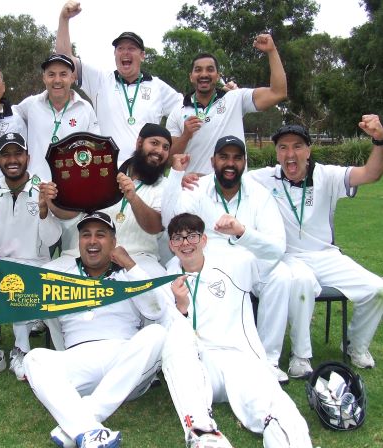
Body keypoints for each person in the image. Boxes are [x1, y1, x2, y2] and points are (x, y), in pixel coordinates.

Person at [162, 212, 360, 448]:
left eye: (192, 236)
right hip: (201, 369)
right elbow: (175, 329)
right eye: (178, 238)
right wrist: (182, 308)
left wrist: (243, 231)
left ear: (204, 239)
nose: (186, 242)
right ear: (171, 245)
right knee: (173, 338)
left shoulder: (235, 263)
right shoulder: (167, 275)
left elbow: (274, 254)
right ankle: (205, 437)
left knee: (270, 403)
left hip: (237, 357)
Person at [0, 211, 167, 448]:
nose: (92, 241)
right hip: (79, 362)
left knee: (155, 334)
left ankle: (76, 421)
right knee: (34, 359)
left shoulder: (129, 273)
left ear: (114, 242)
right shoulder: (59, 274)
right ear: (78, 242)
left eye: (101, 235)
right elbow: (23, 307)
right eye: (86, 235)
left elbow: (156, 310)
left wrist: (131, 266)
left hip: (125, 362)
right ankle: (90, 432)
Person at [249, 115, 383, 369]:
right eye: (283, 147)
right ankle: (301, 356)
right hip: (287, 256)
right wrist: (184, 176)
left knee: (376, 288)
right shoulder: (264, 178)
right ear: (276, 153)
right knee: (301, 281)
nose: (291, 154)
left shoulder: (328, 175)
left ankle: (356, 344)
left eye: (297, 146)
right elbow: (225, 176)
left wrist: (379, 140)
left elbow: (371, 174)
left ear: (308, 150)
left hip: (326, 255)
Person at [161, 136, 294, 382]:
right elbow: (169, 220)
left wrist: (242, 231)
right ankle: (195, 350)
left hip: (249, 261)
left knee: (282, 276)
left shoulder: (259, 194)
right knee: (175, 270)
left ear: (245, 162)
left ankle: (269, 360)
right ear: (213, 161)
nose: (230, 163)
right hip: (209, 260)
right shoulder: (198, 187)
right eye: (224, 157)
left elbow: (277, 247)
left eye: (236, 158)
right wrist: (177, 176)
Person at [0, 132, 62, 383]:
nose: (12, 159)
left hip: (34, 262)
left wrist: (43, 209)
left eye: (18, 153)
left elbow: (51, 240)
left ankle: (21, 351)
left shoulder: (42, 187)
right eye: (6, 155)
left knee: (13, 283)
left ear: (27, 157)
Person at [56, 1, 182, 165]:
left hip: (146, 173)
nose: (125, 52)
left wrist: (222, 93)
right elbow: (64, 61)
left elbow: (186, 111)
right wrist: (64, 19)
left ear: (142, 55)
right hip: (107, 171)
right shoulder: (100, 80)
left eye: (131, 48)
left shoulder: (158, 86)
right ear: (115, 54)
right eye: (120, 48)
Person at [42, 123, 172, 277]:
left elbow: (156, 226)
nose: (159, 151)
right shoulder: (104, 169)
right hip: (82, 255)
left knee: (156, 284)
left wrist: (133, 198)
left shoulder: (166, 186)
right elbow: (72, 213)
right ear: (139, 143)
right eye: (154, 143)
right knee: (43, 277)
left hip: (138, 257)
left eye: (166, 147)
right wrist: (52, 202)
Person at [166, 37, 287, 175]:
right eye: (198, 70)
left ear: (218, 76)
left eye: (210, 69)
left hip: (233, 189)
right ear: (191, 76)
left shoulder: (235, 98)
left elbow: (278, 93)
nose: (204, 74)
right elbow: (169, 160)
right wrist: (186, 135)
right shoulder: (177, 112)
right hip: (194, 190)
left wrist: (271, 51)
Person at [13, 53, 100, 181]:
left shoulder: (85, 108)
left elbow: (95, 147)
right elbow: (5, 114)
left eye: (63, 74)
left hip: (72, 186)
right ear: (44, 78)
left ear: (72, 77)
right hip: (36, 188)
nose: (57, 80)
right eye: (51, 74)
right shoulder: (31, 104)